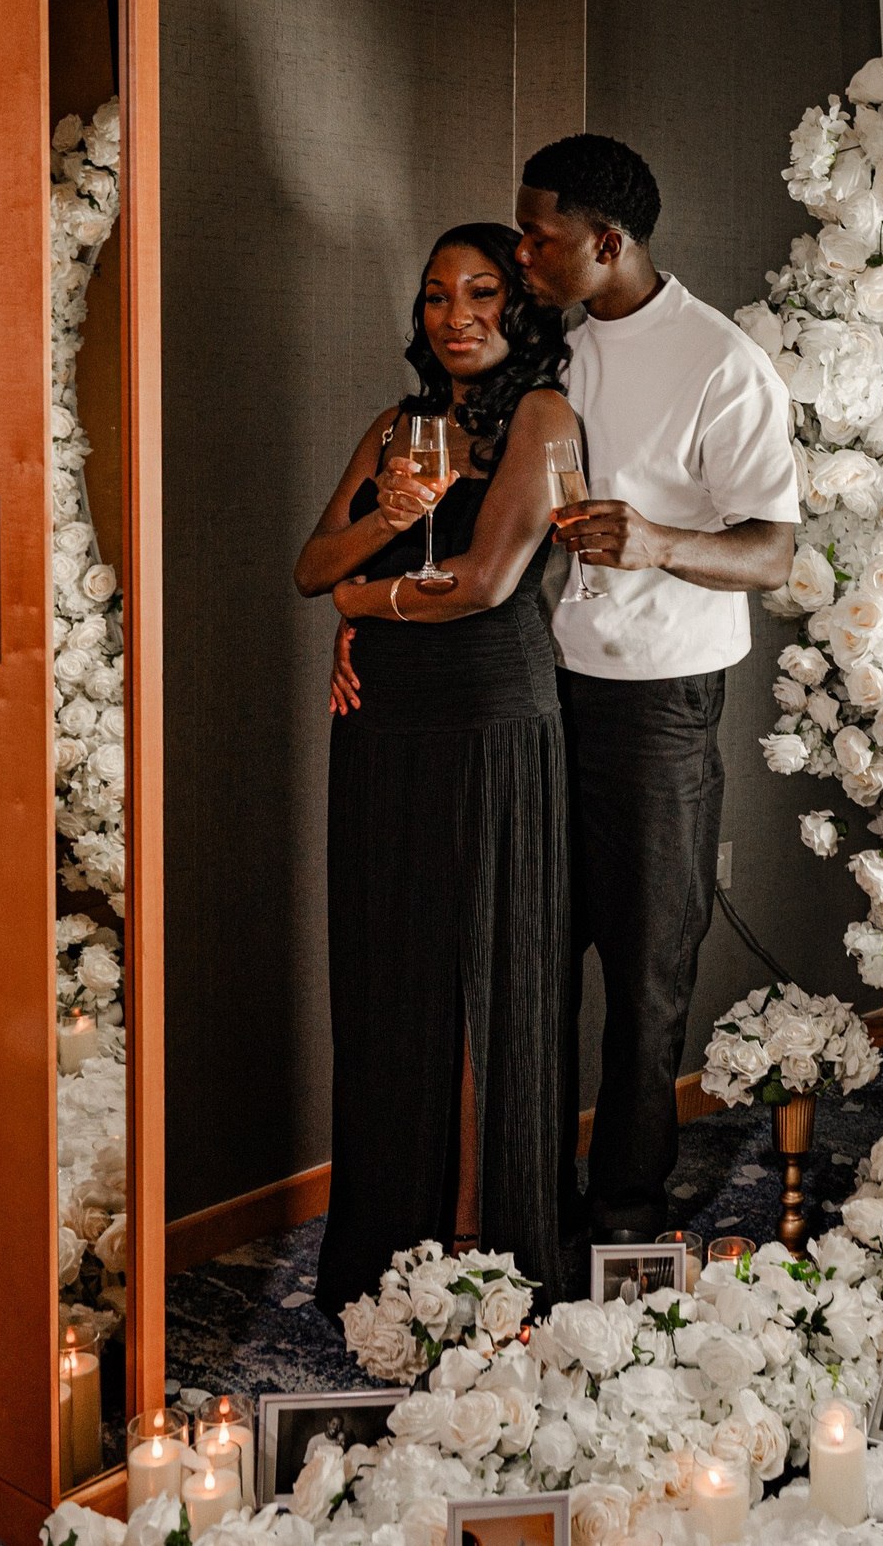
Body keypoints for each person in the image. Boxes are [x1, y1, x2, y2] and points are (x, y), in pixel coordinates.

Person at [512, 135, 798, 1244]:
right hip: (544, 697)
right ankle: (530, 1198)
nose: (527, 252)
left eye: (543, 235)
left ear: (608, 241)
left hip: (660, 712)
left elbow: (773, 552)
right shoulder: (560, 347)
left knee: (644, 984)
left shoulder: (721, 363)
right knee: (539, 961)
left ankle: (624, 1215)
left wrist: (659, 539)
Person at [295, 222, 576, 1312]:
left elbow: (487, 582)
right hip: (380, 724)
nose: (455, 315)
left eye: (481, 292)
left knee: (486, 972)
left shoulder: (546, 419)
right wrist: (384, 523)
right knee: (389, 972)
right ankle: (392, 1238)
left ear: (519, 306)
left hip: (489, 719)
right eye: (434, 297)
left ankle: (487, 1244)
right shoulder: (395, 425)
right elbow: (312, 566)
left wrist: (364, 608)